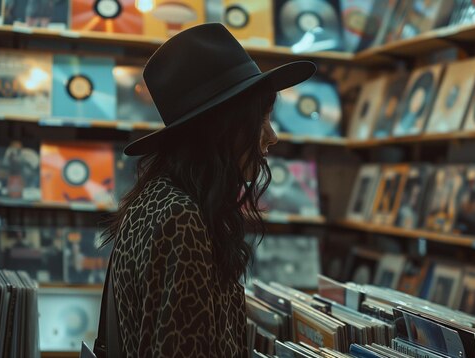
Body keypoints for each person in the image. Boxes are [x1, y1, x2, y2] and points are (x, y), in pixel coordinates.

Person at [100, 23, 315, 357]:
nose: (272, 136)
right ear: (224, 128)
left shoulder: (160, 200)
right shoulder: (181, 218)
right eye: (261, 119)